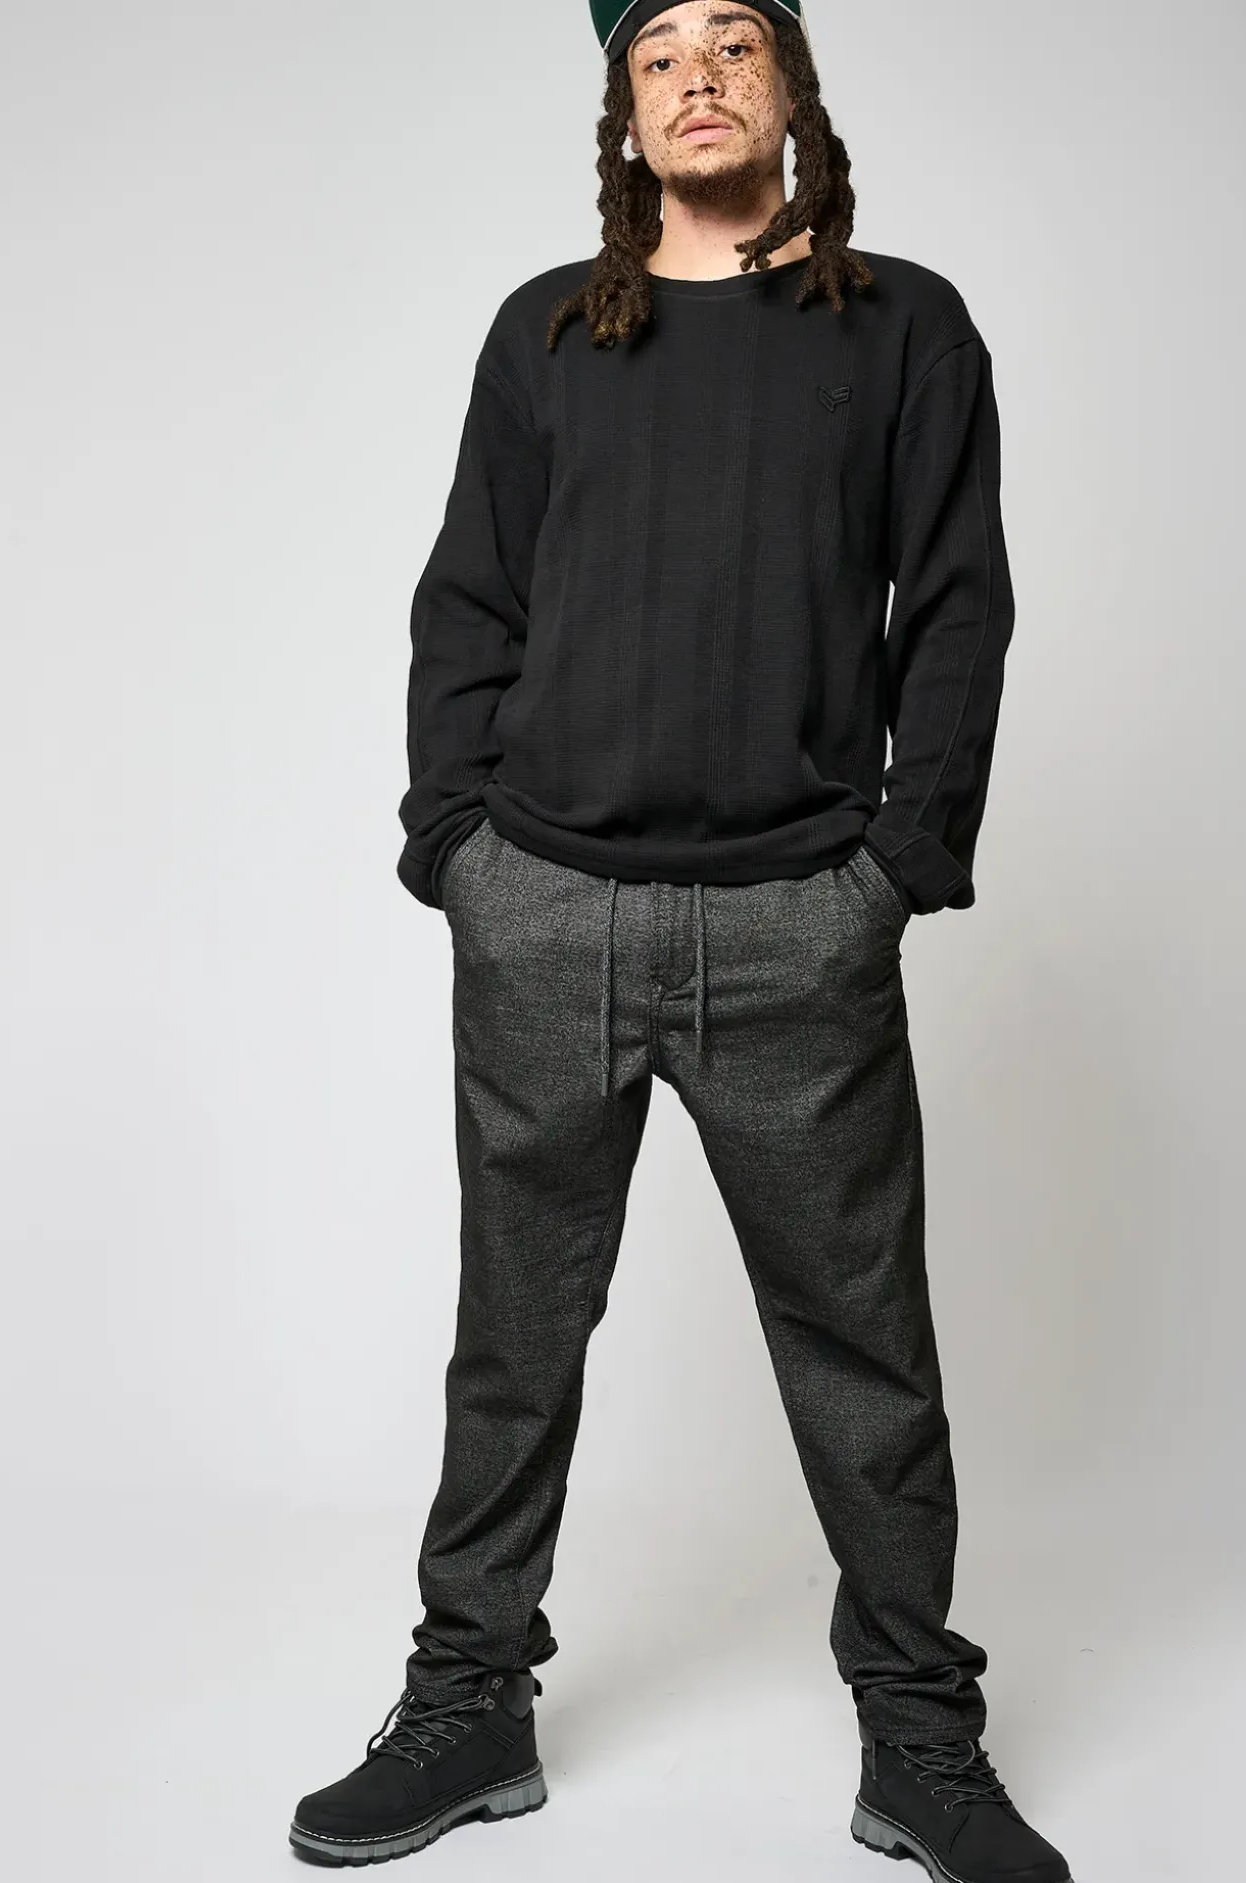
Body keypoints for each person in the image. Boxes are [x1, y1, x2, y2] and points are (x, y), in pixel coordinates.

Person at [290, 4, 1073, 1878]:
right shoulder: (546, 333)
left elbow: (955, 608)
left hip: (798, 919)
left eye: (735, 41)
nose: (697, 77)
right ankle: (469, 1698)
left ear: (791, 86)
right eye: (658, 56)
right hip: (546, 907)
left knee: (863, 1353)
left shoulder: (903, 327)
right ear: (622, 112)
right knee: (513, 1339)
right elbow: (468, 596)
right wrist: (456, 847)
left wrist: (895, 864)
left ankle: (919, 1735)